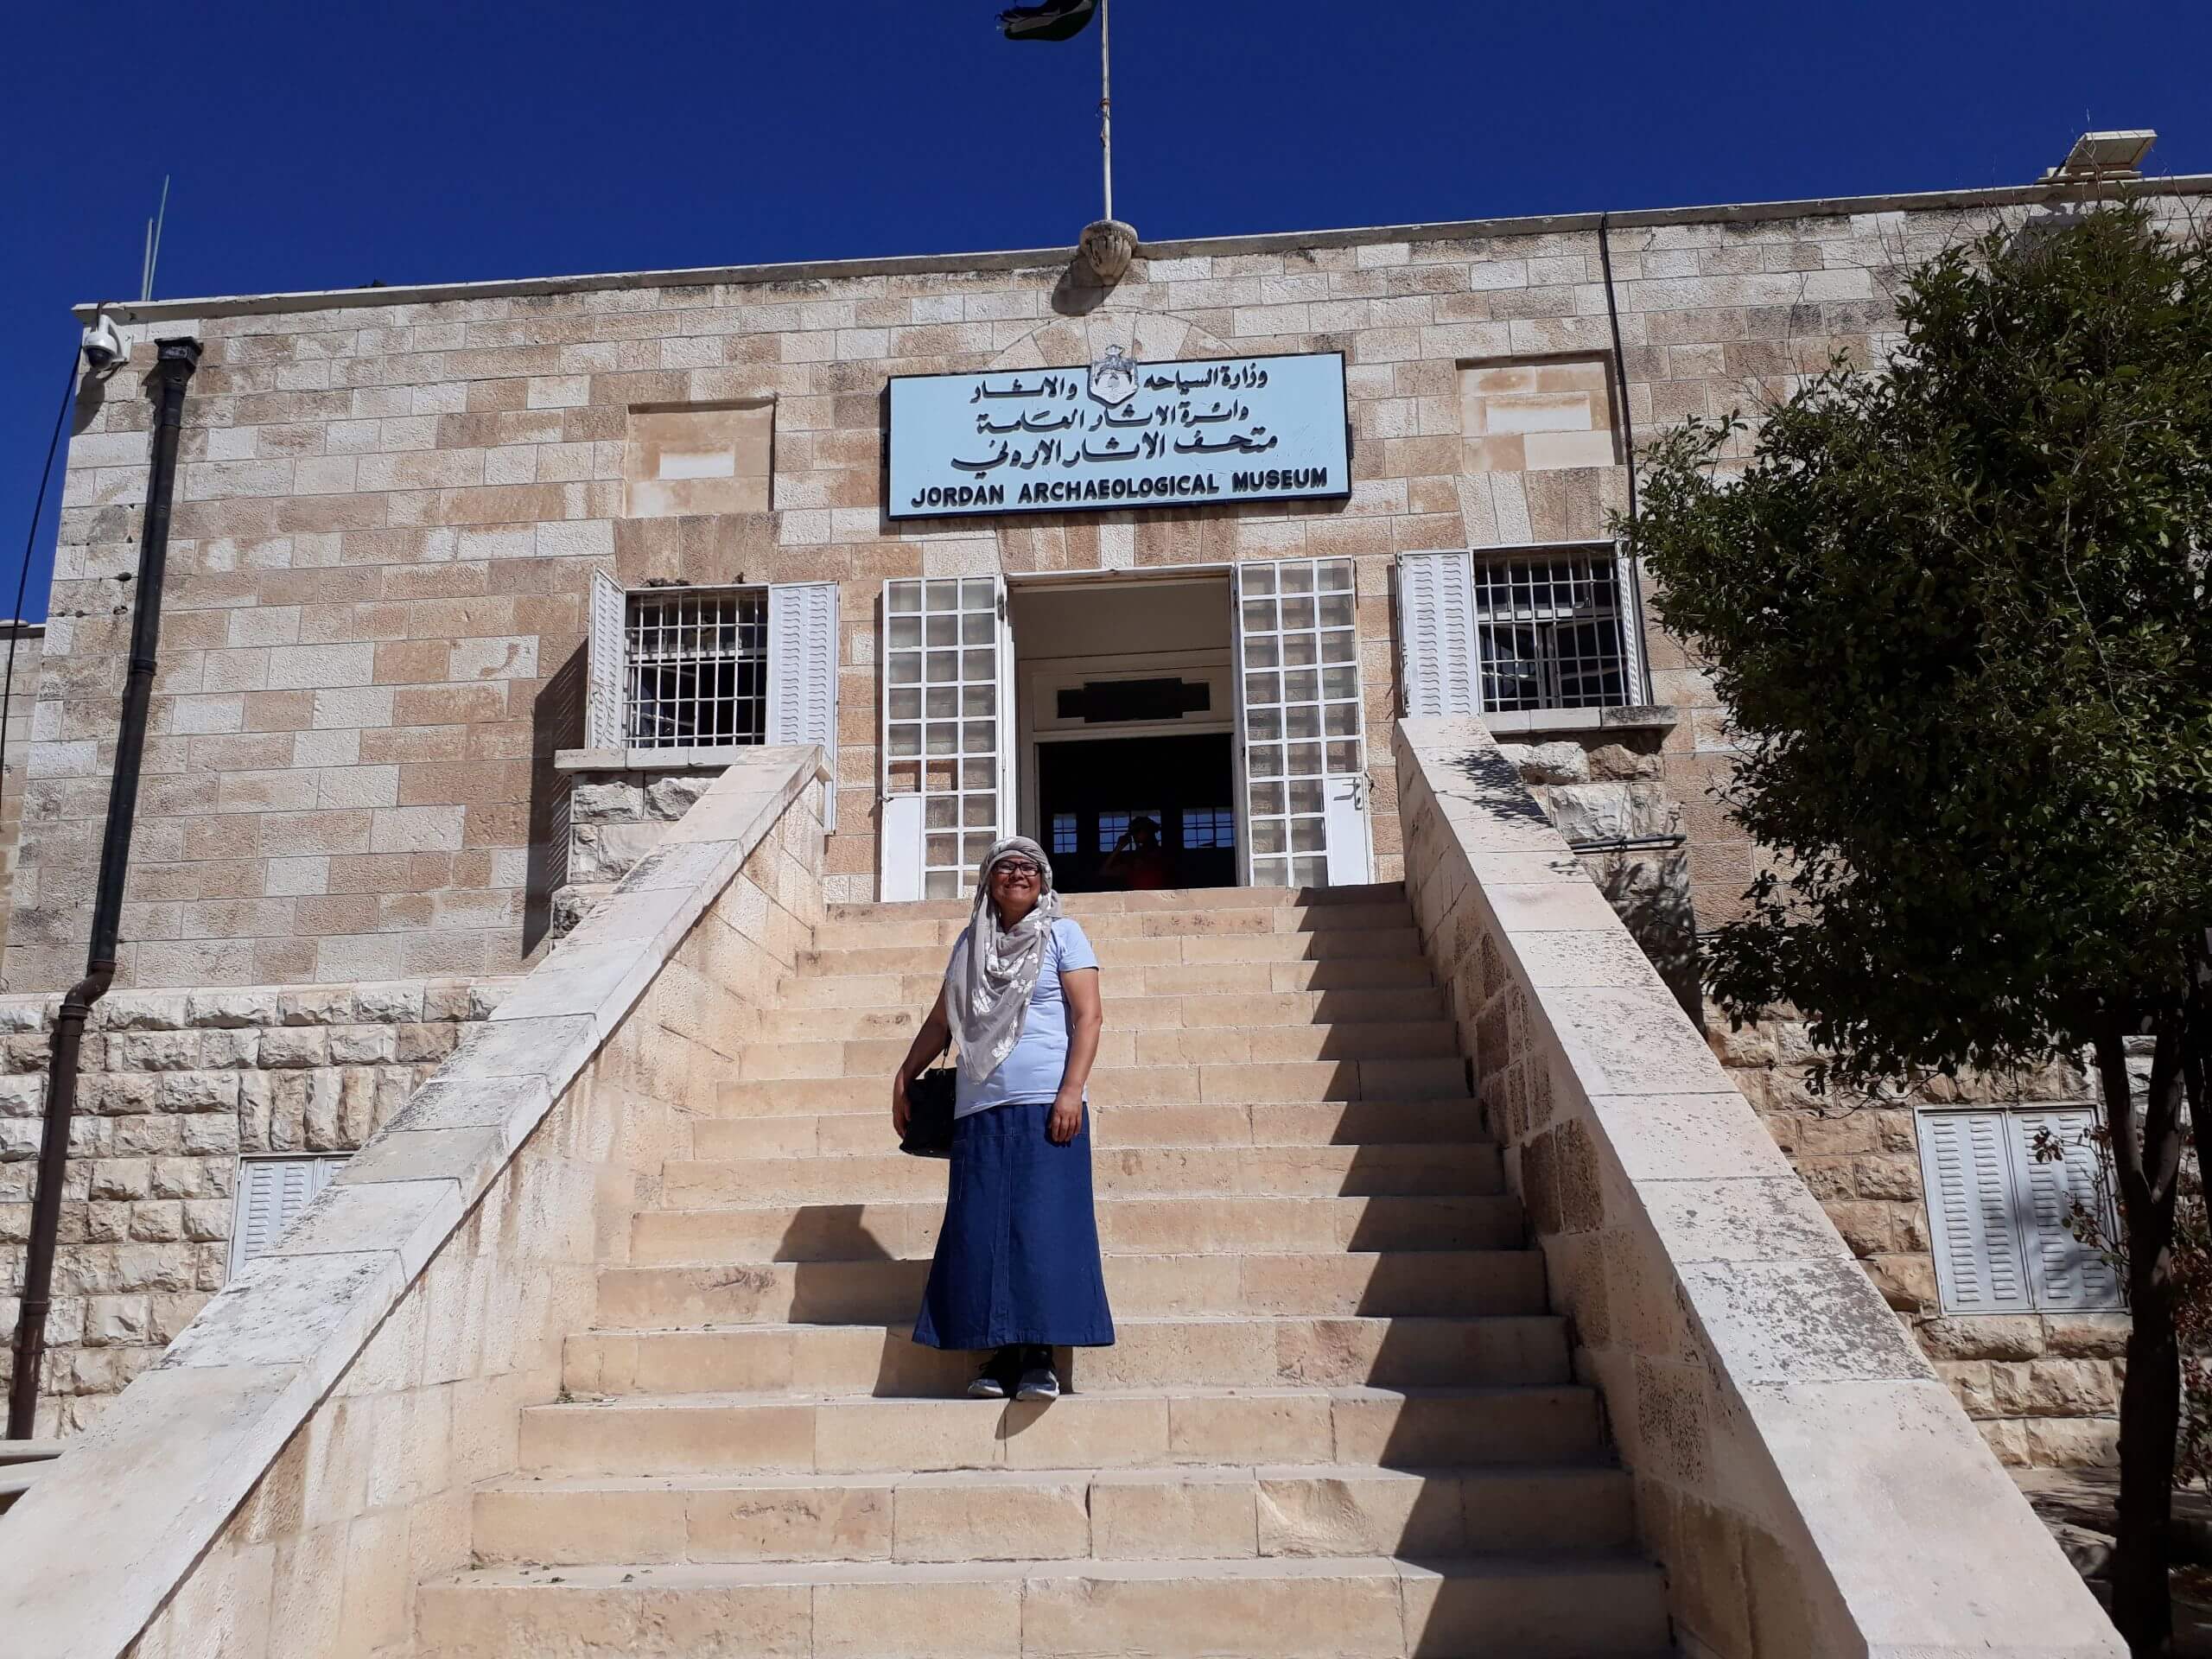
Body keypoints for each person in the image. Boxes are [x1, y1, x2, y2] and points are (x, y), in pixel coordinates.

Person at [892, 836, 1115, 1400]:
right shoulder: (971, 943)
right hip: (980, 1106)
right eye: (1006, 866)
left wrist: (1071, 1091)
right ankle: (995, 1355)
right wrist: (905, 1072)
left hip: (1047, 1104)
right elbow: (942, 1020)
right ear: (989, 882)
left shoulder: (1063, 935)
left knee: (1045, 1230)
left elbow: (1088, 1017)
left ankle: (1039, 1359)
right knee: (981, 1232)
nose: (1018, 873)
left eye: (1029, 866)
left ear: (1043, 880)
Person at [1099, 813, 1175, 891]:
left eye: (1137, 830)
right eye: (1132, 832)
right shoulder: (1133, 860)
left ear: (1147, 830)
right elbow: (1104, 872)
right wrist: (1118, 848)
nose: (1134, 835)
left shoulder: (1163, 855)